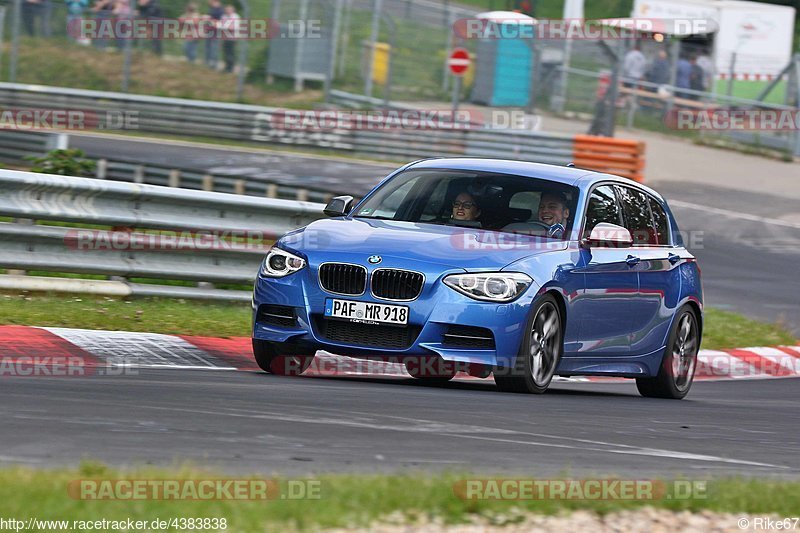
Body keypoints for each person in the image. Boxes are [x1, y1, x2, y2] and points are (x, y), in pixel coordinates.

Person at [220, 4, 241, 73]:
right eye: (226, 10)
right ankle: (227, 67)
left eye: (229, 10)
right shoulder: (224, 17)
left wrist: (227, 28)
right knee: (226, 54)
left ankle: (230, 68)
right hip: (225, 38)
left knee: (231, 54)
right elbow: (222, 27)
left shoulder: (236, 17)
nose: (227, 11)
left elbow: (234, 28)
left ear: (232, 10)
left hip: (232, 38)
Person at [204, 0, 224, 69]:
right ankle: (207, 62)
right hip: (210, 31)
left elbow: (219, 21)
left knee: (214, 49)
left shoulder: (220, 10)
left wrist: (210, 19)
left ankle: (214, 64)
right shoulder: (211, 9)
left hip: (216, 32)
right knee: (208, 48)